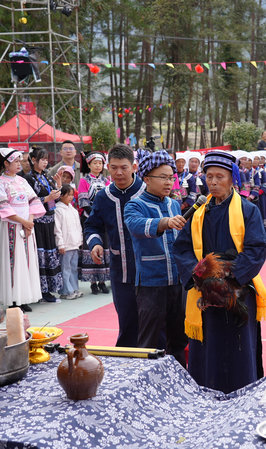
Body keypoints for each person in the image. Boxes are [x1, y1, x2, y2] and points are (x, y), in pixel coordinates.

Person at [173, 150, 266, 393]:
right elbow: (182, 248)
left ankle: (241, 395)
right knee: (207, 352)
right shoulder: (197, 212)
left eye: (220, 177)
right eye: (209, 177)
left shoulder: (248, 210)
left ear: (232, 179)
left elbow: (256, 249)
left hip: (237, 293)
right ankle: (206, 397)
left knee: (238, 350)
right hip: (203, 293)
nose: (213, 182)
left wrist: (227, 278)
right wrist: (202, 279)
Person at [124, 151, 188, 366]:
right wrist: (164, 223)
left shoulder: (174, 204)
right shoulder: (134, 205)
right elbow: (136, 226)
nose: (169, 182)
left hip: (177, 282)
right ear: (147, 179)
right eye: (163, 177)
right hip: (151, 283)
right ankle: (144, 384)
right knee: (149, 341)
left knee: (179, 338)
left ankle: (180, 380)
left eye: (171, 177)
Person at [84, 144, 145, 348]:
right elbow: (92, 226)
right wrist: (95, 243)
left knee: (152, 323)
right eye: (114, 167)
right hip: (120, 270)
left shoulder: (147, 192)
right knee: (127, 321)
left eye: (124, 167)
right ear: (107, 167)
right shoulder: (103, 197)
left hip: (150, 271)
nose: (119, 172)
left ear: (134, 167)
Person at [0, 148, 45, 312]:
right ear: (6, 163)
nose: (19, 164)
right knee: (13, 262)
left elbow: (34, 201)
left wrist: (30, 221)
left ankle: (24, 298)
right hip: (11, 228)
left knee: (27, 261)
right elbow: (4, 207)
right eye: (15, 161)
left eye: (19, 161)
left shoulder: (22, 181)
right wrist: (24, 222)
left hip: (27, 227)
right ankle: (13, 300)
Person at [24, 147, 64, 303]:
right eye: (42, 159)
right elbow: (28, 202)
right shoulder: (28, 178)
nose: (45, 162)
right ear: (33, 160)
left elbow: (56, 198)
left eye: (47, 159)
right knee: (40, 255)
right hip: (37, 222)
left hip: (49, 220)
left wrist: (58, 186)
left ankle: (49, 290)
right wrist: (47, 198)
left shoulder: (46, 176)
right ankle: (40, 291)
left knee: (50, 254)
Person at [78, 152, 111, 295]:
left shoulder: (107, 181)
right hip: (90, 218)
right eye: (95, 163)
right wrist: (95, 214)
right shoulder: (84, 181)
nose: (98, 166)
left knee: (104, 247)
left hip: (104, 219)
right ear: (89, 165)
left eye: (100, 163)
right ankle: (93, 282)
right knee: (92, 246)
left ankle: (103, 281)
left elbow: (110, 198)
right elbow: (83, 201)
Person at [54, 184, 84, 300]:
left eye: (72, 195)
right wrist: (60, 244)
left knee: (73, 268)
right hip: (66, 245)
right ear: (61, 196)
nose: (71, 197)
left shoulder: (73, 210)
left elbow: (78, 227)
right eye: (68, 195)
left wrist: (80, 240)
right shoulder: (58, 210)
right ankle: (66, 291)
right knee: (65, 269)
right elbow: (57, 229)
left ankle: (74, 288)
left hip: (74, 244)